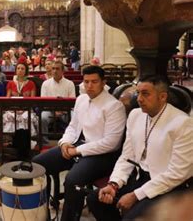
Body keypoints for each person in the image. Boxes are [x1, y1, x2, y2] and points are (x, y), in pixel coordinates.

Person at [87, 75, 193, 221]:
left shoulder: (183, 124)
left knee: (132, 217)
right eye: (138, 93)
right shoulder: (135, 115)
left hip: (169, 187)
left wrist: (135, 195)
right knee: (95, 199)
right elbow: (127, 157)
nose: (139, 99)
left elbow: (177, 174)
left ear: (162, 97)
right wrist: (114, 184)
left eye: (146, 94)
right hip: (139, 176)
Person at [32, 65, 126, 221]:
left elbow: (111, 143)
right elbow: (73, 126)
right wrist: (64, 143)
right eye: (86, 81)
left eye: (94, 82)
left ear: (103, 82)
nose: (89, 86)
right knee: (38, 164)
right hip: (76, 145)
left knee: (72, 181)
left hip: (102, 155)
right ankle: (44, 211)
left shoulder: (114, 106)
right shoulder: (81, 99)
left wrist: (77, 151)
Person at [40, 61, 76, 144]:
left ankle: (72, 141)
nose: (55, 71)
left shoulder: (70, 83)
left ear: (63, 71)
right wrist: (54, 111)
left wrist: (63, 110)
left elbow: (72, 101)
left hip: (66, 111)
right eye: (53, 69)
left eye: (57, 69)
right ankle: (45, 142)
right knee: (42, 118)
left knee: (75, 117)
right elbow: (43, 101)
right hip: (50, 110)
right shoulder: (45, 83)